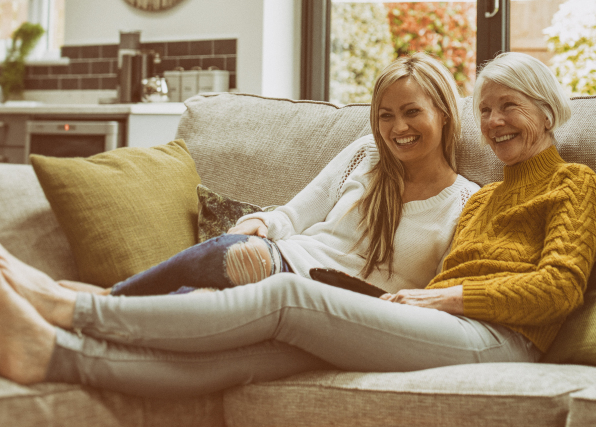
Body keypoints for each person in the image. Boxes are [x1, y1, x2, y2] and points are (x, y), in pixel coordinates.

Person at [0, 51, 596, 398]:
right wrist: (436, 298)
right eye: (487, 109)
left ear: (547, 111)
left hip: (496, 334)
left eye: (510, 108)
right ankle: (55, 359)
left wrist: (447, 295)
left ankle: (76, 313)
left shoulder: (572, 184)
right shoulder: (487, 197)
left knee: (284, 293)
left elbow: (559, 288)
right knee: (250, 357)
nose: (495, 122)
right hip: (439, 319)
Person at [69, 52, 480, 297]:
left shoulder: (466, 202)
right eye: (386, 116)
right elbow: (293, 216)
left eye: (412, 113)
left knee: (226, 276)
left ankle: (103, 301)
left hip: (343, 304)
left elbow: (438, 293)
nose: (398, 129)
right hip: (288, 264)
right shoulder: (366, 155)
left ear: (444, 114)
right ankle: (103, 306)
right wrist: (260, 222)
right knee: (201, 293)